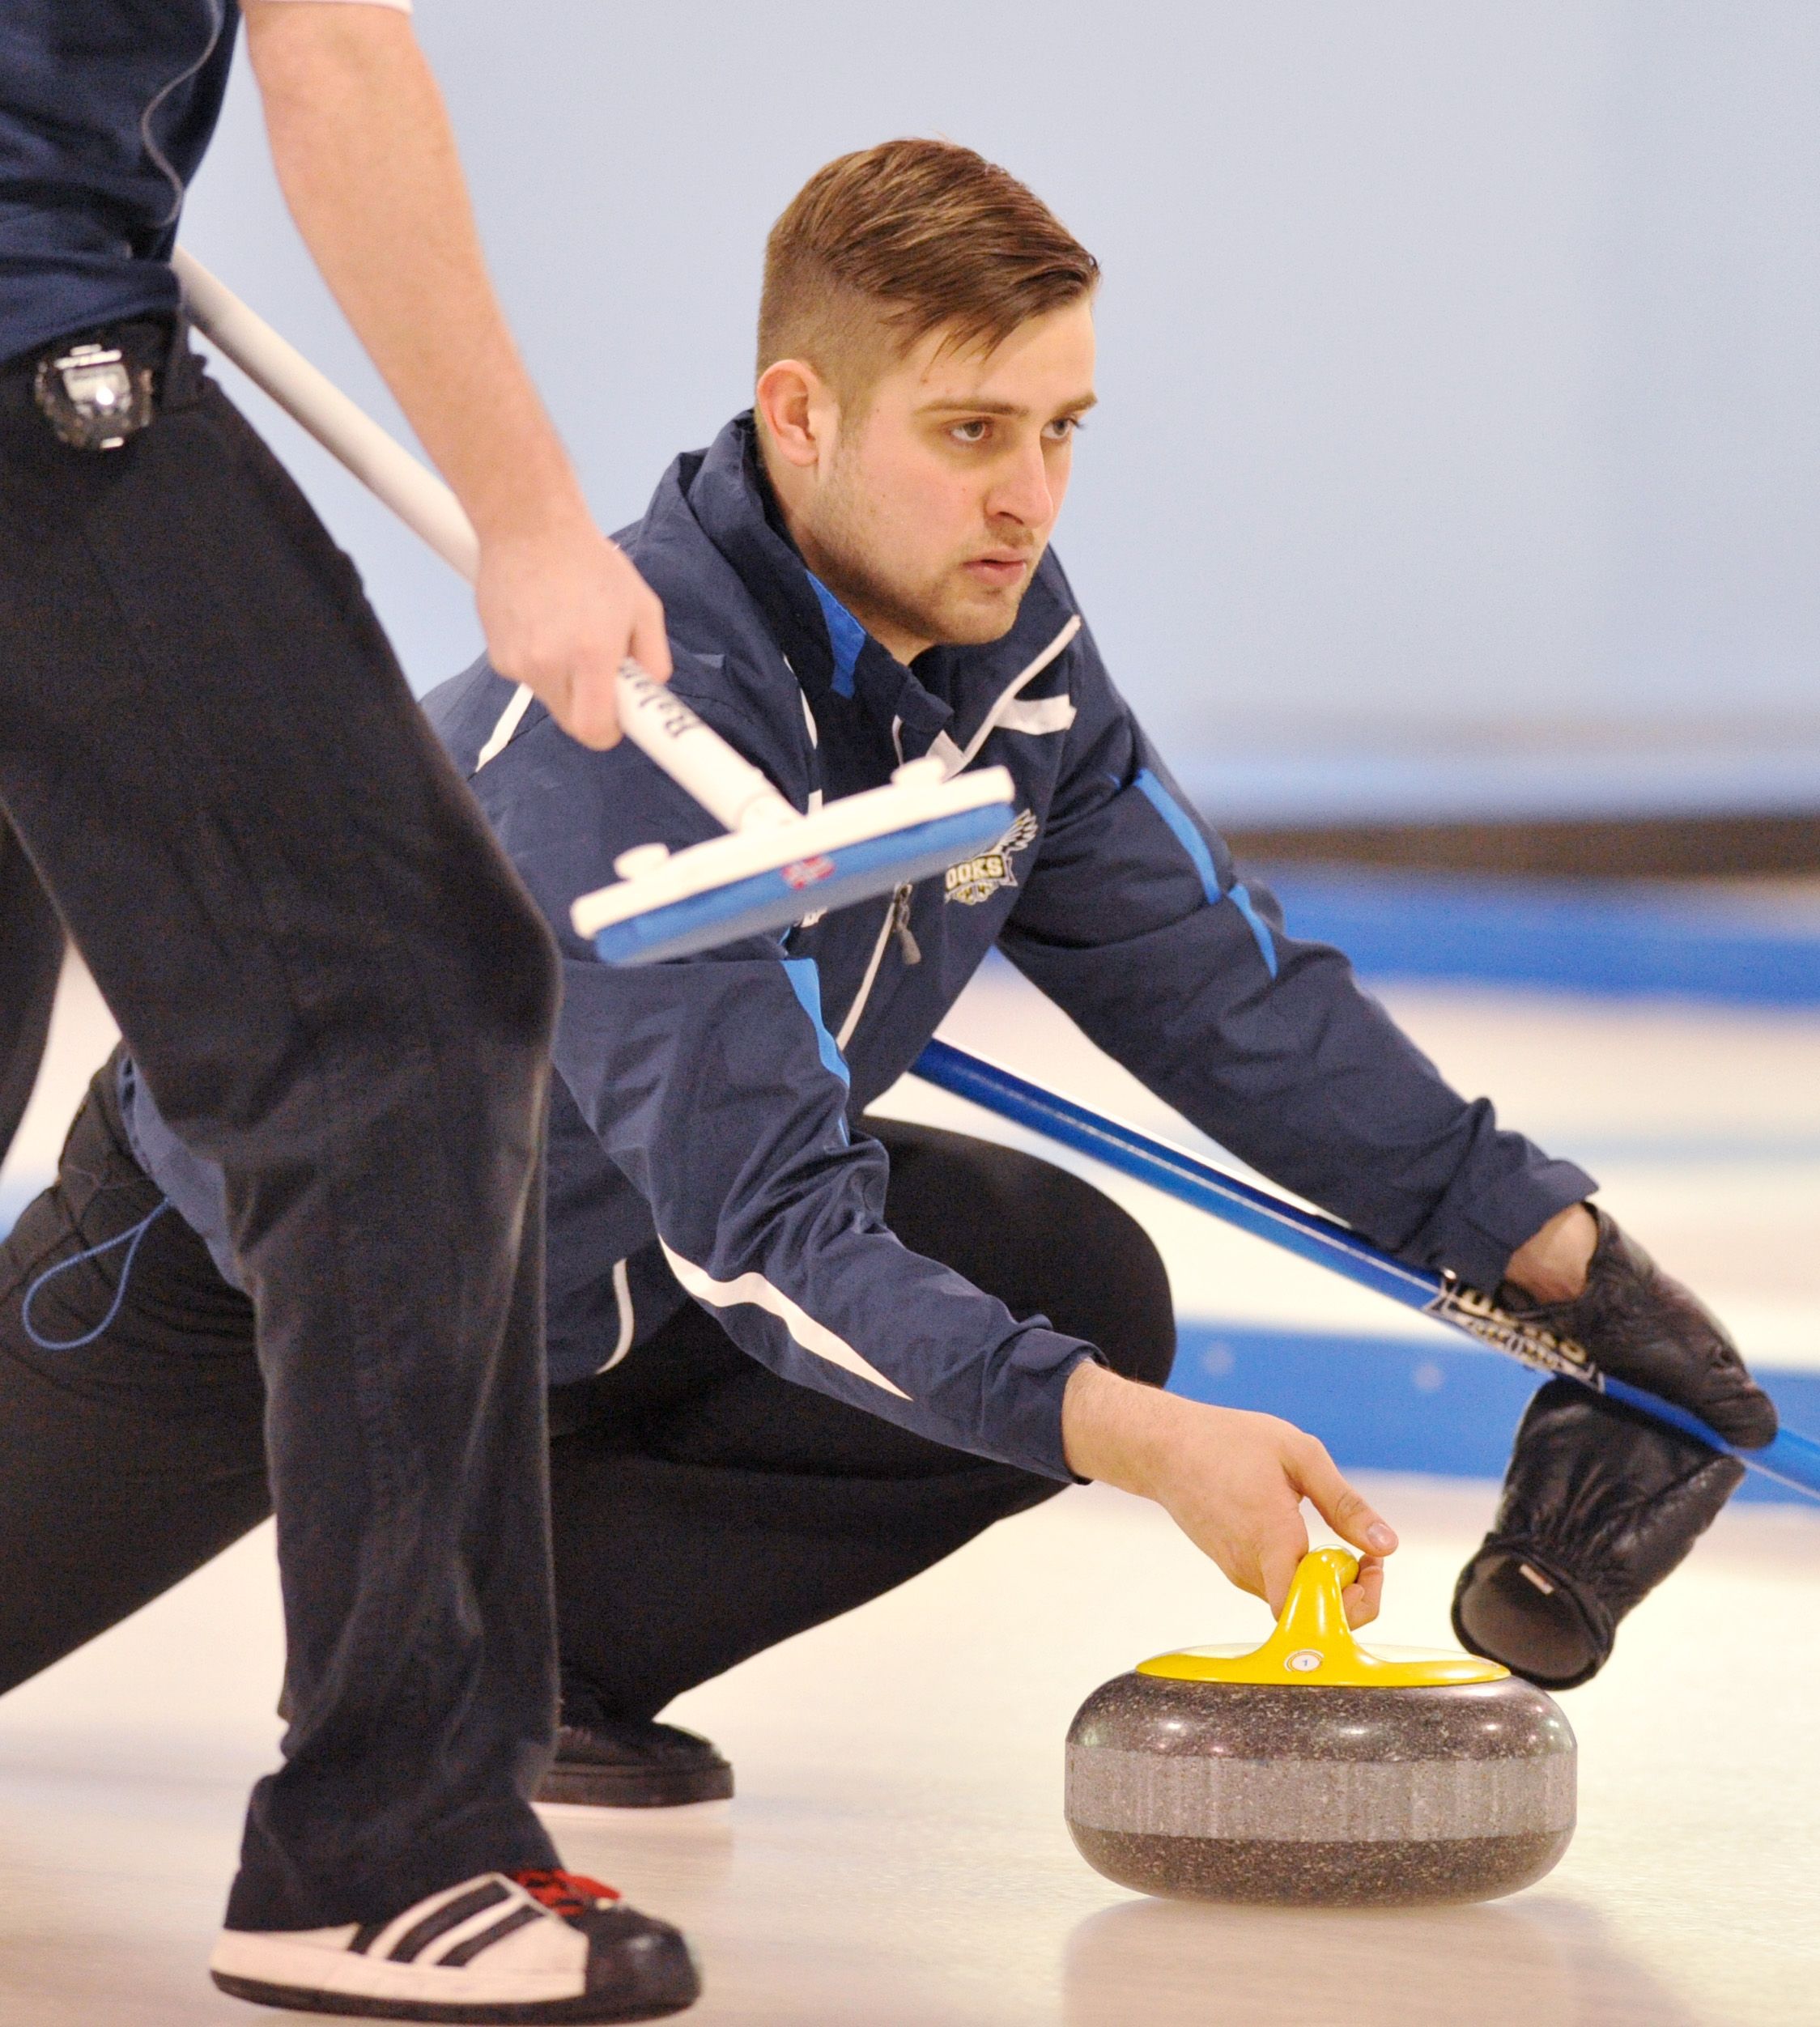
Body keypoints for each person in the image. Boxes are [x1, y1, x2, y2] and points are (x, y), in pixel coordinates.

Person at [1, 140, 1771, 1830]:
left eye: (1061, 431)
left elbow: (1228, 995)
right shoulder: (624, 723)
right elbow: (769, 1237)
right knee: (1019, 1345)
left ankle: (500, 1674)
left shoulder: (1008, 644)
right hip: (233, 1278)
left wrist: (1554, 1256)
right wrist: (1136, 1444)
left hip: (585, 1282)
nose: (1026, 496)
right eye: (970, 431)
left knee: (1064, 1274)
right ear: (800, 414)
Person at [0, 2, 698, 2019]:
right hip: (39, 377)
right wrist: (531, 519)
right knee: (396, 1019)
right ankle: (383, 1848)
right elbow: (335, 56)